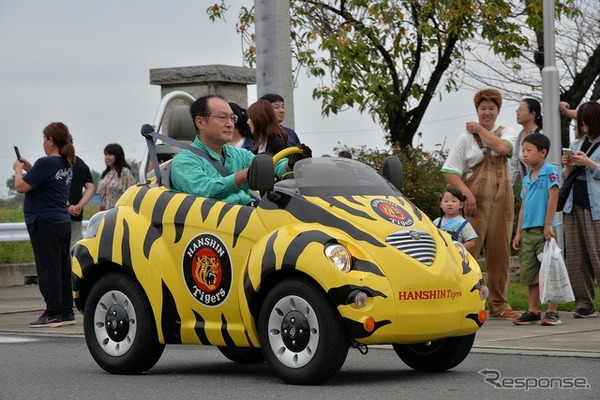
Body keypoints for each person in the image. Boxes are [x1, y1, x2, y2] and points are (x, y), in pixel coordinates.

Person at [441, 88, 519, 319]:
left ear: (497, 111)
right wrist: (467, 194)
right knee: (470, 250)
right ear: (477, 110)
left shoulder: (507, 132)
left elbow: (504, 149)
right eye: (483, 108)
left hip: (502, 199)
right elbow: (449, 170)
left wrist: (479, 130)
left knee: (500, 252)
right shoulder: (465, 138)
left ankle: (499, 303)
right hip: (474, 201)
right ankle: (467, 300)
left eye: (491, 109)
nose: (487, 113)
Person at [170, 95, 309, 205]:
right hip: (214, 228)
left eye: (232, 118)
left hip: (245, 218)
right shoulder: (184, 161)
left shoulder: (239, 154)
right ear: (200, 122)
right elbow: (205, 191)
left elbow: (272, 165)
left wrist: (290, 165)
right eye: (222, 117)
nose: (230, 124)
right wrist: (244, 175)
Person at [12, 122, 76, 327]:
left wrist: (18, 170)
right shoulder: (66, 164)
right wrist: (32, 168)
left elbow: (21, 186)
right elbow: (46, 182)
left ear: (51, 140)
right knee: (62, 267)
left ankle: (53, 312)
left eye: (44, 139)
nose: (43, 143)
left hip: (44, 222)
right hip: (62, 222)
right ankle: (66, 311)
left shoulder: (46, 163)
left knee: (48, 268)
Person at [511, 133, 561, 326]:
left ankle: (552, 310)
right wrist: (517, 232)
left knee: (549, 269)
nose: (524, 154)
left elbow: (554, 198)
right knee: (531, 272)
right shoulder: (526, 179)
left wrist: (548, 224)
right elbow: (523, 206)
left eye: (528, 150)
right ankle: (533, 309)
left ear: (542, 152)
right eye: (523, 150)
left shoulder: (549, 171)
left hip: (543, 229)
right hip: (527, 231)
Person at [560, 101, 600, 318]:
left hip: (596, 207)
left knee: (597, 254)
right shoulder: (577, 144)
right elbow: (567, 177)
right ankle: (584, 303)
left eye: (587, 124)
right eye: (581, 125)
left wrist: (589, 163)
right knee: (575, 257)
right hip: (573, 205)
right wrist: (568, 165)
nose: (584, 129)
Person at [432, 187, 478, 252]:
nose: (449, 204)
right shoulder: (437, 222)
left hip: (456, 259)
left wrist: (458, 250)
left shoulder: (464, 224)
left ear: (461, 205)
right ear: (441, 204)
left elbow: (471, 242)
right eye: (446, 201)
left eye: (454, 201)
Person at [512, 98, 543, 190]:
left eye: (521, 110)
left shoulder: (541, 134)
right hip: (528, 188)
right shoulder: (520, 136)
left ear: (532, 114)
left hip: (542, 187)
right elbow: (515, 166)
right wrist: (509, 189)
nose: (518, 113)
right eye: (517, 110)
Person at [97, 143, 136, 210]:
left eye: (110, 154)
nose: (107, 157)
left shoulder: (125, 172)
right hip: (105, 211)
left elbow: (131, 193)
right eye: (106, 155)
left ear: (117, 156)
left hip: (118, 211)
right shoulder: (106, 174)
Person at [68, 154, 95, 249]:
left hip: (56, 214)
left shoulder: (55, 162)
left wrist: (68, 206)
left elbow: (52, 188)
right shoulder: (80, 163)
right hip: (76, 214)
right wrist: (79, 205)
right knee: (74, 249)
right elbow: (90, 188)